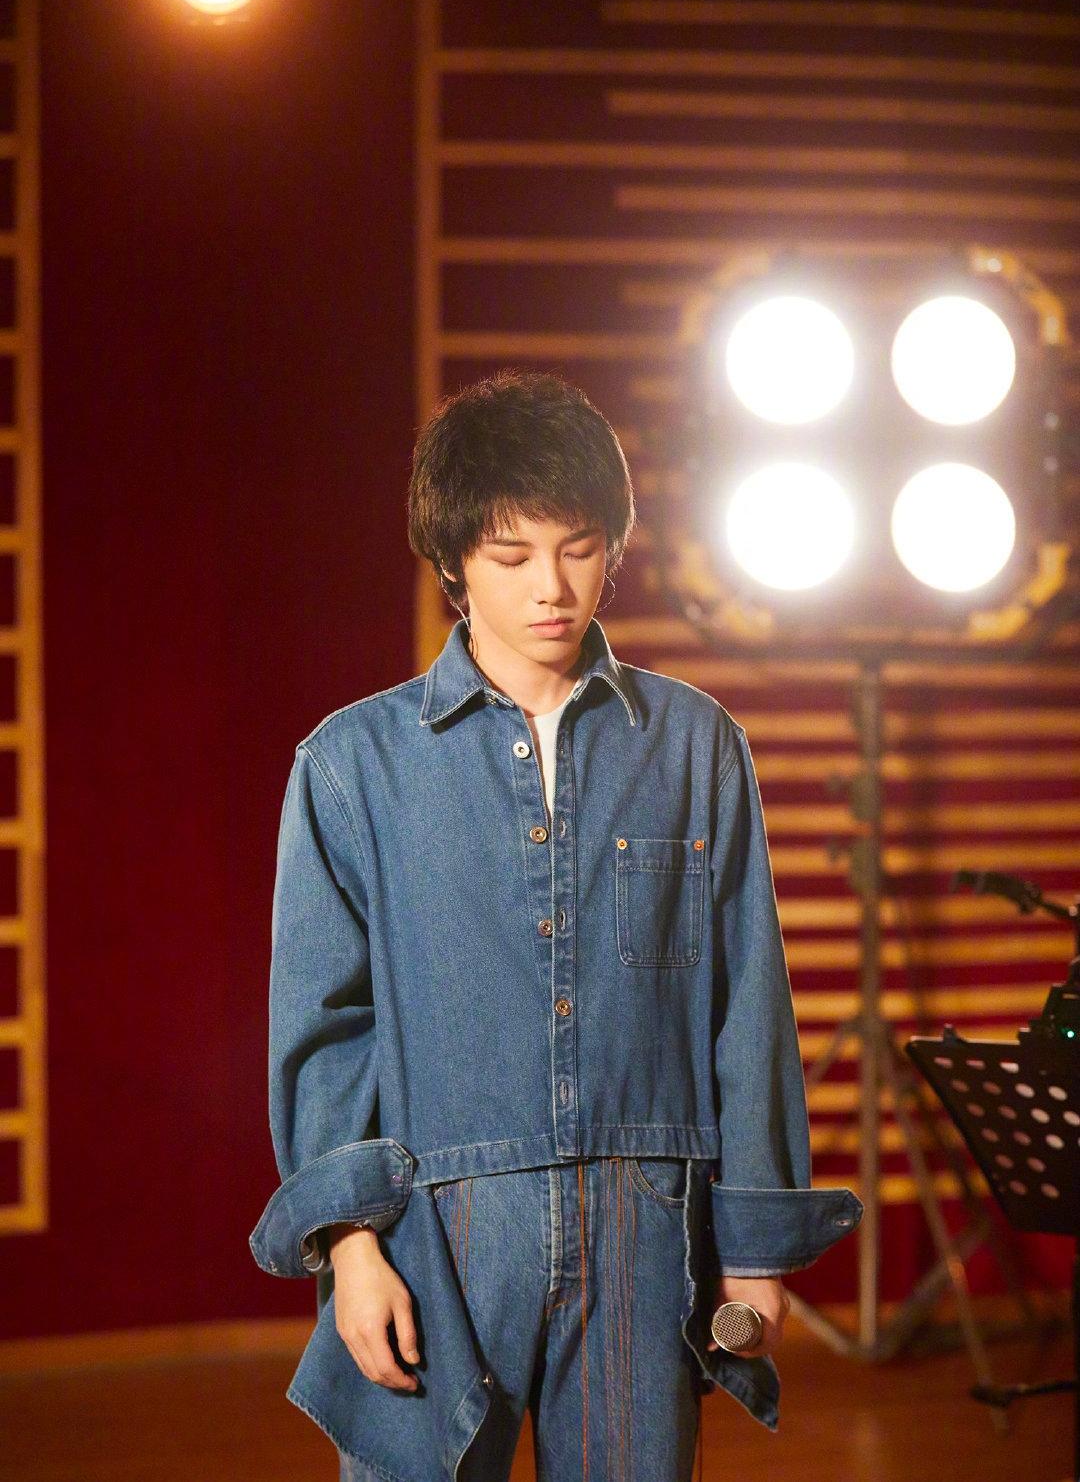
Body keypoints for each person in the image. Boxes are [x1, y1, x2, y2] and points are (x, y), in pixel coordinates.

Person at [248, 369, 862, 1482]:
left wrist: (756, 1249)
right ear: (454, 562)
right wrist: (351, 1249)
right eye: (512, 555)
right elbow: (325, 1030)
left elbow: (748, 1007)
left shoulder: (695, 746)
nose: (552, 587)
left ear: (613, 548)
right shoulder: (352, 766)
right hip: (434, 1226)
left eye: (578, 549)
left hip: (645, 1226)